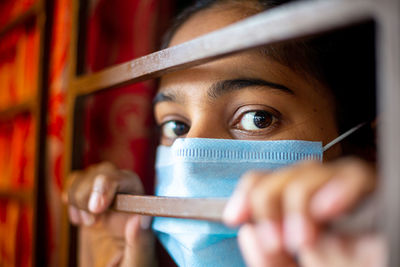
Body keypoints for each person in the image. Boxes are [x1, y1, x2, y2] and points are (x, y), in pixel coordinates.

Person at [64, 0, 385, 266]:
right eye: (176, 126)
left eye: (257, 119)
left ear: (370, 147)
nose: (191, 159)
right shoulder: (127, 245)